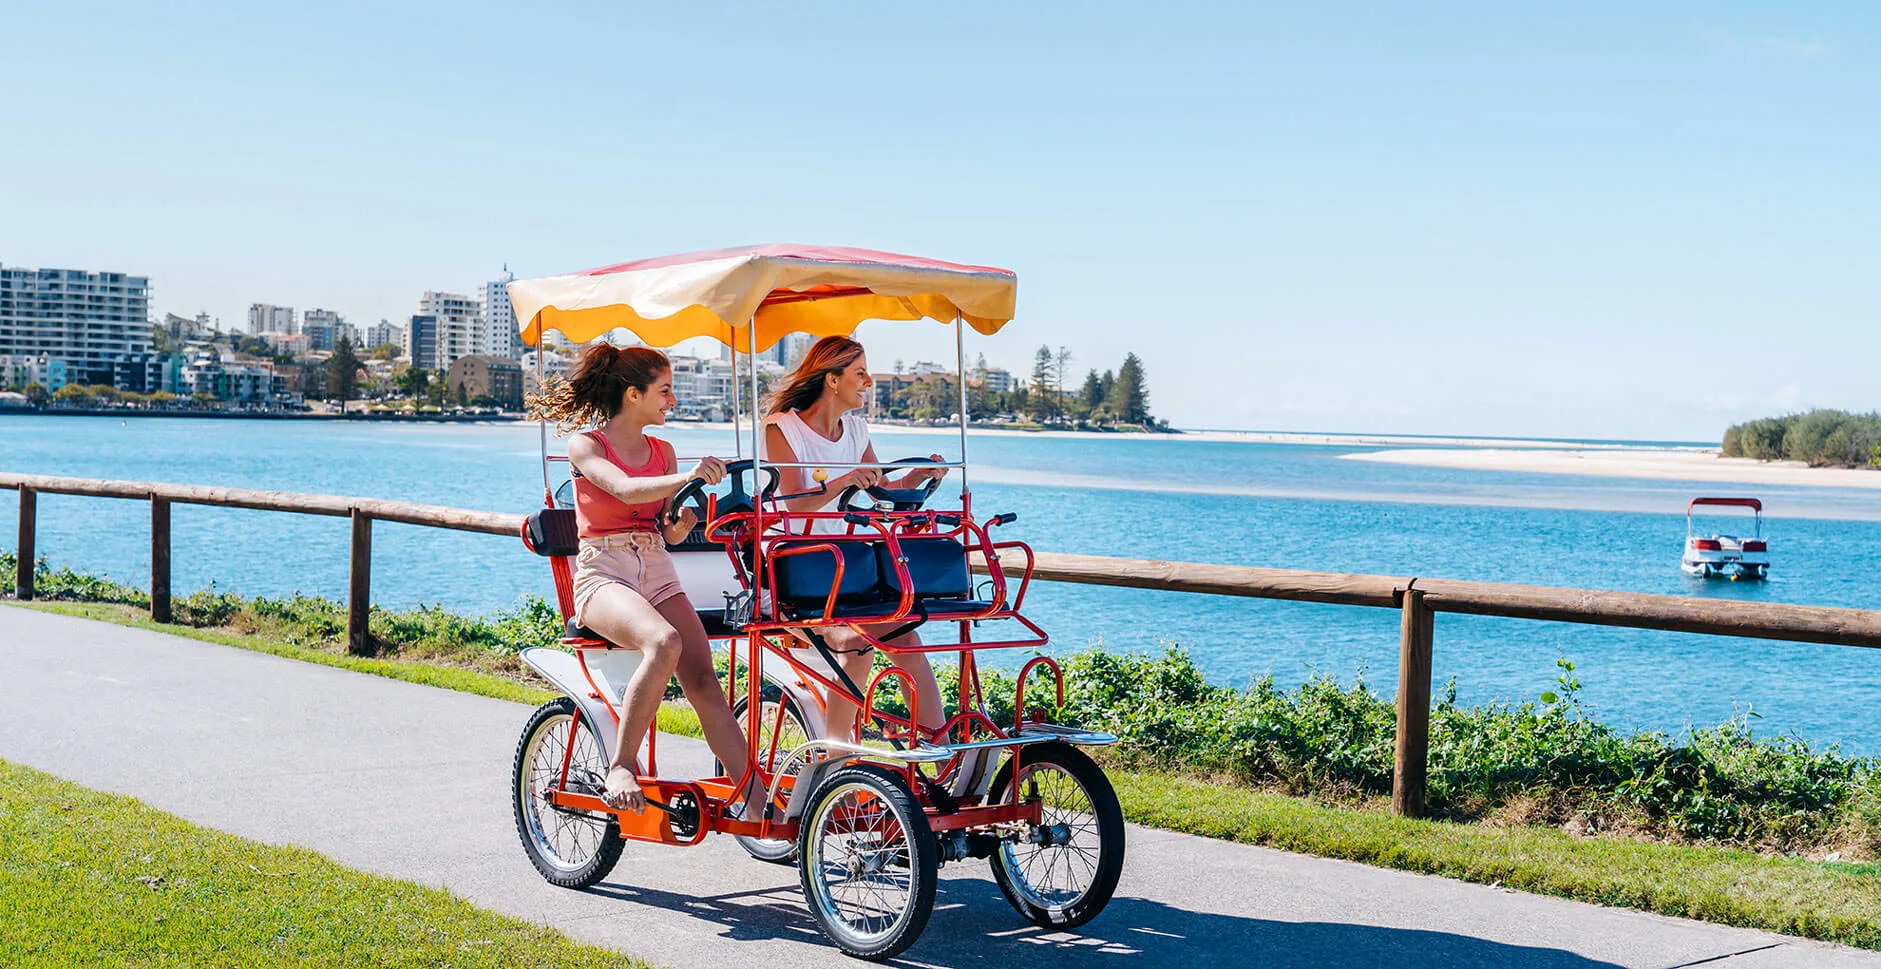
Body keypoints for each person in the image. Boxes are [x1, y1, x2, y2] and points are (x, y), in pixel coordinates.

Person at [528, 343, 751, 815]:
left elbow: (662, 525)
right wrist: (688, 476)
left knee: (705, 682)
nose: (672, 401)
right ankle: (620, 766)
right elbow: (624, 488)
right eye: (665, 391)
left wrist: (677, 526)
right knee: (664, 642)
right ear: (633, 394)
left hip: (655, 568)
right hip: (602, 574)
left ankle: (759, 807)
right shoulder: (586, 445)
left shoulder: (662, 451)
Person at [761, 335, 950, 742]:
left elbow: (882, 489)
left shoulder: (856, 429)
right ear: (832, 380)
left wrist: (916, 477)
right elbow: (794, 505)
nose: (867, 382)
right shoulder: (783, 428)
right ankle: (836, 753)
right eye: (860, 373)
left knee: (904, 633)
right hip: (798, 567)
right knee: (856, 638)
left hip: (848, 567)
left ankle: (940, 748)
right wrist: (844, 481)